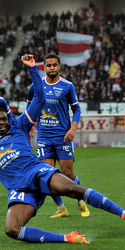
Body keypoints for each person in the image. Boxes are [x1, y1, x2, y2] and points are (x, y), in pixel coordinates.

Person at [0, 55, 125, 244]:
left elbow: (39, 97)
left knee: (73, 186)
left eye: (4, 118)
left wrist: (32, 69)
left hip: (37, 172)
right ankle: (68, 237)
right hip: (19, 189)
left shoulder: (19, 125)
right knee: (11, 229)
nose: (3, 122)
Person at [27, 54, 88, 218]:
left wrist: (73, 129)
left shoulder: (67, 86)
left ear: (59, 66)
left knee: (67, 173)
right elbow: (29, 109)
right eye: (48, 65)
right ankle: (61, 207)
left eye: (54, 65)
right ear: (44, 67)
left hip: (63, 136)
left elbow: (76, 109)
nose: (52, 68)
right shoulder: (36, 86)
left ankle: (81, 200)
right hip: (44, 137)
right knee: (48, 174)